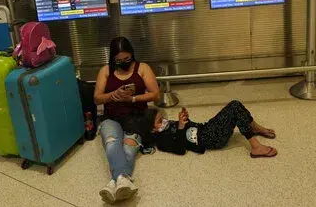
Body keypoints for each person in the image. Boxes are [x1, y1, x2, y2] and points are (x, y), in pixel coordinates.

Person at [93, 36, 160, 204]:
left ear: (132, 55)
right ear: (113, 59)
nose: (123, 62)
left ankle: (114, 182)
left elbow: (155, 95)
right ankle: (123, 179)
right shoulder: (106, 71)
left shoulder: (142, 68)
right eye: (119, 60)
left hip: (136, 118)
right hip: (111, 118)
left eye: (127, 59)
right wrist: (113, 95)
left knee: (128, 149)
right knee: (112, 144)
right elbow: (97, 98)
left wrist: (132, 99)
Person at [137, 100, 277, 157]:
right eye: (160, 121)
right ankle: (255, 146)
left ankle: (256, 128)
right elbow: (180, 150)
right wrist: (180, 126)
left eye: (163, 117)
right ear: (152, 130)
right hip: (209, 140)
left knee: (235, 104)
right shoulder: (162, 141)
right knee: (234, 109)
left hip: (206, 128)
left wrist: (185, 120)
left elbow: (188, 130)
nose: (165, 121)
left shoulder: (165, 126)